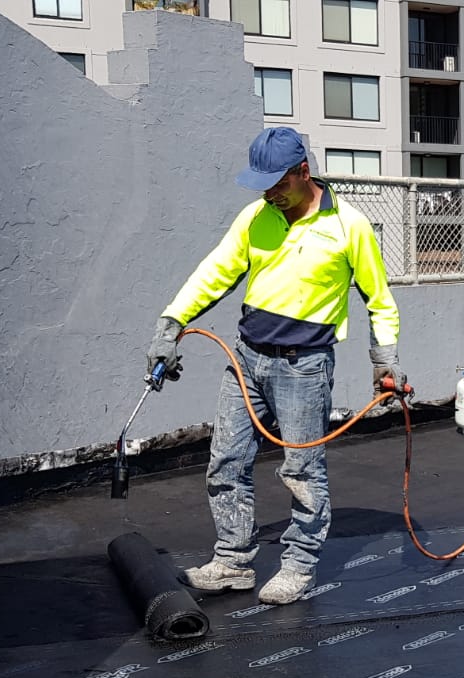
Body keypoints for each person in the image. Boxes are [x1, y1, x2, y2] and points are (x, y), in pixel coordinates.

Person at [145, 127, 403, 604]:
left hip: (303, 369)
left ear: (303, 172)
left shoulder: (349, 226)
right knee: (225, 461)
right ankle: (232, 561)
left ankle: (299, 566)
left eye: (278, 184)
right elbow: (215, 272)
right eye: (262, 185)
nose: (269, 194)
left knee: (302, 472)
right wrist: (171, 323)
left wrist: (384, 361)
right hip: (246, 360)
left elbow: (379, 300)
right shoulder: (255, 218)